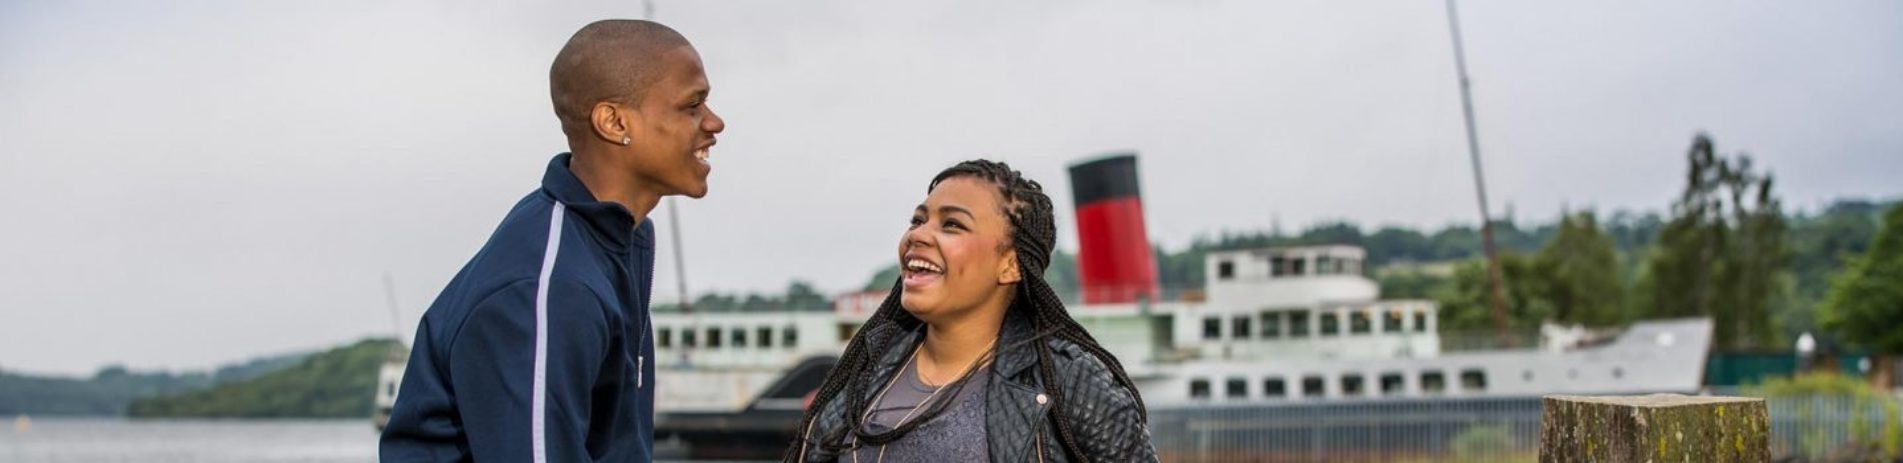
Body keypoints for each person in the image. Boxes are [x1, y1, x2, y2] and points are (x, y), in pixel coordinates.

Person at [380, 19, 724, 462]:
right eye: (691, 105)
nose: (715, 122)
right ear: (614, 121)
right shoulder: (549, 286)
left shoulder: (617, 241)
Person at [786, 160, 1156, 462]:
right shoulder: (865, 374)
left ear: (1010, 265)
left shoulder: (1071, 383)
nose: (918, 235)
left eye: (952, 225)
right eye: (918, 220)